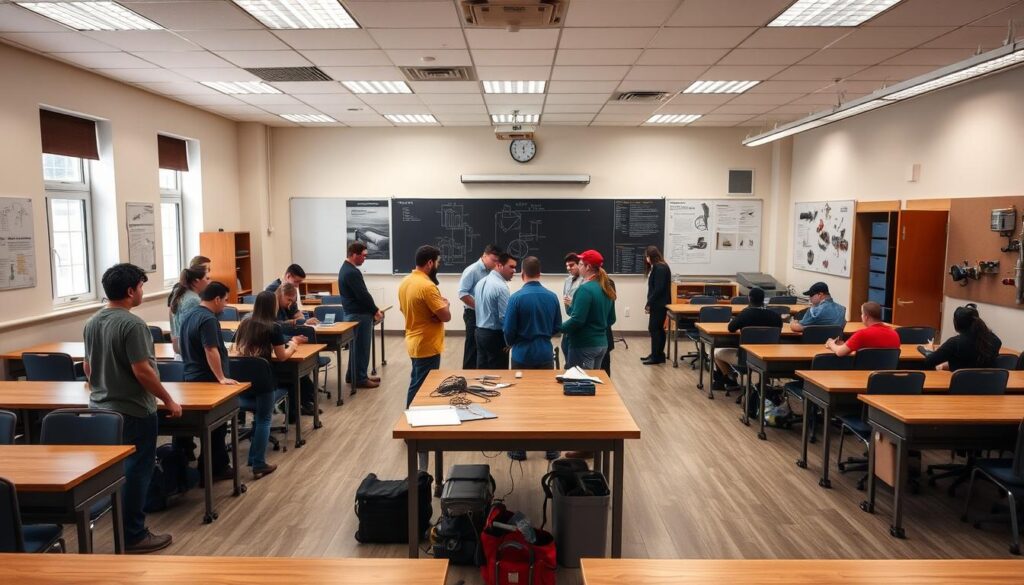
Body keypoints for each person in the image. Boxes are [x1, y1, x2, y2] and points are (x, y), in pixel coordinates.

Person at [84, 263, 182, 554]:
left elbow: (88, 367)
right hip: (134, 410)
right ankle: (134, 535)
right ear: (130, 291)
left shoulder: (93, 321)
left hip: (101, 410)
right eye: (141, 286)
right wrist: (168, 399)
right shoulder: (132, 324)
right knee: (137, 472)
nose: (142, 291)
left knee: (115, 472)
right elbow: (143, 371)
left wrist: (103, 387)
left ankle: (120, 528)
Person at [233, 291, 307, 478]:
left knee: (260, 416)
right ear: (272, 306)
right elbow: (282, 357)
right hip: (263, 381)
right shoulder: (272, 327)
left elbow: (236, 350)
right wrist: (294, 343)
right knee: (265, 418)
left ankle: (252, 457)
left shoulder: (244, 324)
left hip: (242, 384)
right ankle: (258, 463)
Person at [178, 281, 238, 482]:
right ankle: (215, 468)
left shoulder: (190, 315)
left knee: (209, 428)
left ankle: (207, 466)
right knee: (216, 427)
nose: (226, 305)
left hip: (191, 377)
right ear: (217, 299)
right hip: (207, 379)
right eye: (225, 300)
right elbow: (210, 349)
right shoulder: (208, 319)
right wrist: (221, 377)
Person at [504, 256, 562, 461]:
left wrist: (514, 342)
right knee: (546, 401)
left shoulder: (516, 298)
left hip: (521, 354)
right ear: (540, 273)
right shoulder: (552, 296)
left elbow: (508, 331)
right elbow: (557, 327)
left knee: (521, 401)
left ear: (522, 274)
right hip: (545, 353)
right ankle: (551, 448)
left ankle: (520, 449)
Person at [398, 245, 450, 471]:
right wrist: (445, 305)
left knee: (416, 381)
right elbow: (445, 316)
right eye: (437, 262)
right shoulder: (428, 286)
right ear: (429, 263)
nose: (437, 266)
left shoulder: (406, 282)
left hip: (413, 338)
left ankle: (411, 424)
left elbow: (406, 309)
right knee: (421, 386)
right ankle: (413, 429)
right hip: (427, 343)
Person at [712, 287, 782, 390]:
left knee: (716, 352)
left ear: (749, 299)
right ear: (763, 300)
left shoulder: (745, 314)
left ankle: (731, 379)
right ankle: (764, 383)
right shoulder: (775, 316)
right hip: (767, 358)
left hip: (746, 358)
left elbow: (731, 328)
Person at [559, 249, 616, 369]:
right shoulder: (606, 287)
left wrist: (558, 328)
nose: (578, 267)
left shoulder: (585, 289)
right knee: (592, 383)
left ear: (588, 267)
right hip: (601, 345)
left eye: (580, 264)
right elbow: (611, 319)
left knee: (579, 384)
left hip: (584, 345)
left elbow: (577, 320)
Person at [338, 241, 382, 389]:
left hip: (354, 313)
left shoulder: (346, 269)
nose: (365, 259)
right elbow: (362, 295)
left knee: (356, 347)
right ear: (354, 255)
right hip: (359, 315)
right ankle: (360, 379)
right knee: (362, 348)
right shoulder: (351, 272)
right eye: (363, 256)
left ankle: (352, 376)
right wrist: (375, 310)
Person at [273, 282, 318, 413]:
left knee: (298, 372)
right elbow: (278, 327)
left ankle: (302, 403)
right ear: (281, 295)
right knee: (295, 371)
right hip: (275, 361)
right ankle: (301, 404)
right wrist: (293, 342)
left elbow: (294, 319)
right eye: (288, 300)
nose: (289, 304)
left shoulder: (285, 306)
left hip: (277, 351)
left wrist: (300, 322)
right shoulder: (273, 312)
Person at [457, 244, 502, 369]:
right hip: (473, 315)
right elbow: (462, 293)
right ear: (484, 256)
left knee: (485, 348)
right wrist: (480, 307)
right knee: (472, 348)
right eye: (493, 260)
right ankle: (468, 377)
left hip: (487, 315)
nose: (496, 263)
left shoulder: (493, 271)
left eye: (498, 261)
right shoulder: (472, 270)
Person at [923, 303, 1002, 371]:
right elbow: (972, 365)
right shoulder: (995, 341)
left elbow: (929, 362)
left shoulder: (955, 343)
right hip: (990, 386)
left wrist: (929, 350)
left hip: (961, 387)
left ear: (956, 324)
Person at [474, 253, 517, 369]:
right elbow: (504, 317)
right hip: (495, 337)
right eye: (511, 267)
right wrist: (509, 340)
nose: (514, 270)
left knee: (481, 373)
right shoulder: (501, 287)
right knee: (498, 376)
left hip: (479, 333)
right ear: (499, 265)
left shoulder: (480, 282)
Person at [825, 301, 899, 357]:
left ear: (866, 317)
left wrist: (831, 344)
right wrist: (846, 345)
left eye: (862, 313)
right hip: (886, 374)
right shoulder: (894, 334)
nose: (861, 316)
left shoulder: (862, 334)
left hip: (862, 372)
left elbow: (840, 352)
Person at [168, 266, 210, 354]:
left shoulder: (178, 293)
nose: (209, 282)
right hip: (189, 348)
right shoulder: (193, 300)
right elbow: (191, 330)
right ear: (196, 281)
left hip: (179, 345)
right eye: (207, 278)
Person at [643, 246, 672, 365]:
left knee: (655, 329)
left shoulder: (660, 268)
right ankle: (657, 354)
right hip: (659, 303)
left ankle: (656, 356)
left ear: (651, 256)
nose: (646, 259)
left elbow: (658, 289)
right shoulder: (659, 267)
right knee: (658, 329)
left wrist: (649, 302)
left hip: (659, 304)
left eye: (647, 256)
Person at [560, 253, 582, 360]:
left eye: (572, 265)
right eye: (567, 266)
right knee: (564, 348)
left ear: (580, 265)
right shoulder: (567, 280)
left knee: (573, 354)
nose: (569, 268)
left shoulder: (584, 281)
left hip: (578, 321)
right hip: (569, 317)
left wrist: (573, 303)